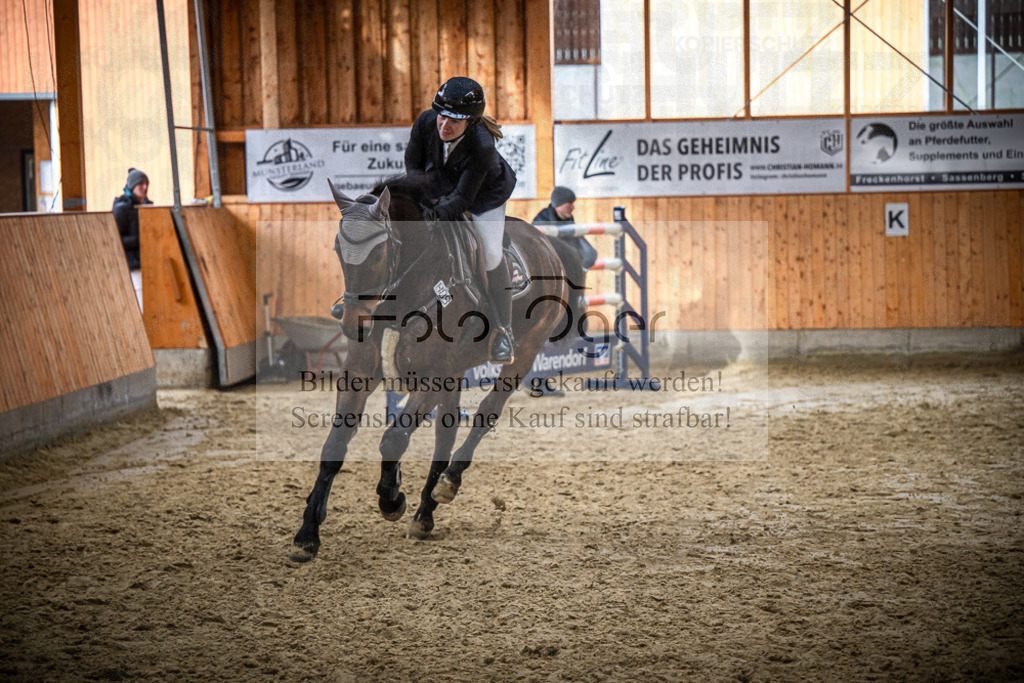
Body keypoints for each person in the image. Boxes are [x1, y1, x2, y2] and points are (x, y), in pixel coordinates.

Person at [404, 76, 518, 364]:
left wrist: (434, 214)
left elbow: (463, 200)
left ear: (470, 122)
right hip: (442, 183)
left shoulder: (482, 143)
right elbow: (413, 167)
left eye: (454, 122)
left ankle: (504, 330)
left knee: (491, 254)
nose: (445, 126)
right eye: (442, 117)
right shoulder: (425, 122)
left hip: (483, 196)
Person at [112, 168, 152, 310]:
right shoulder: (122, 208)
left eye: (146, 183)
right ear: (132, 186)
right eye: (141, 184)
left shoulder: (149, 206)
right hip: (134, 266)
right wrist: (140, 240)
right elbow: (116, 240)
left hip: (150, 264)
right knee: (141, 306)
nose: (145, 187)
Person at [532, 186, 597, 270]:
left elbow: (588, 253)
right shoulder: (542, 221)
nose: (573, 207)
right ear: (559, 204)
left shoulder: (568, 220)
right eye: (570, 203)